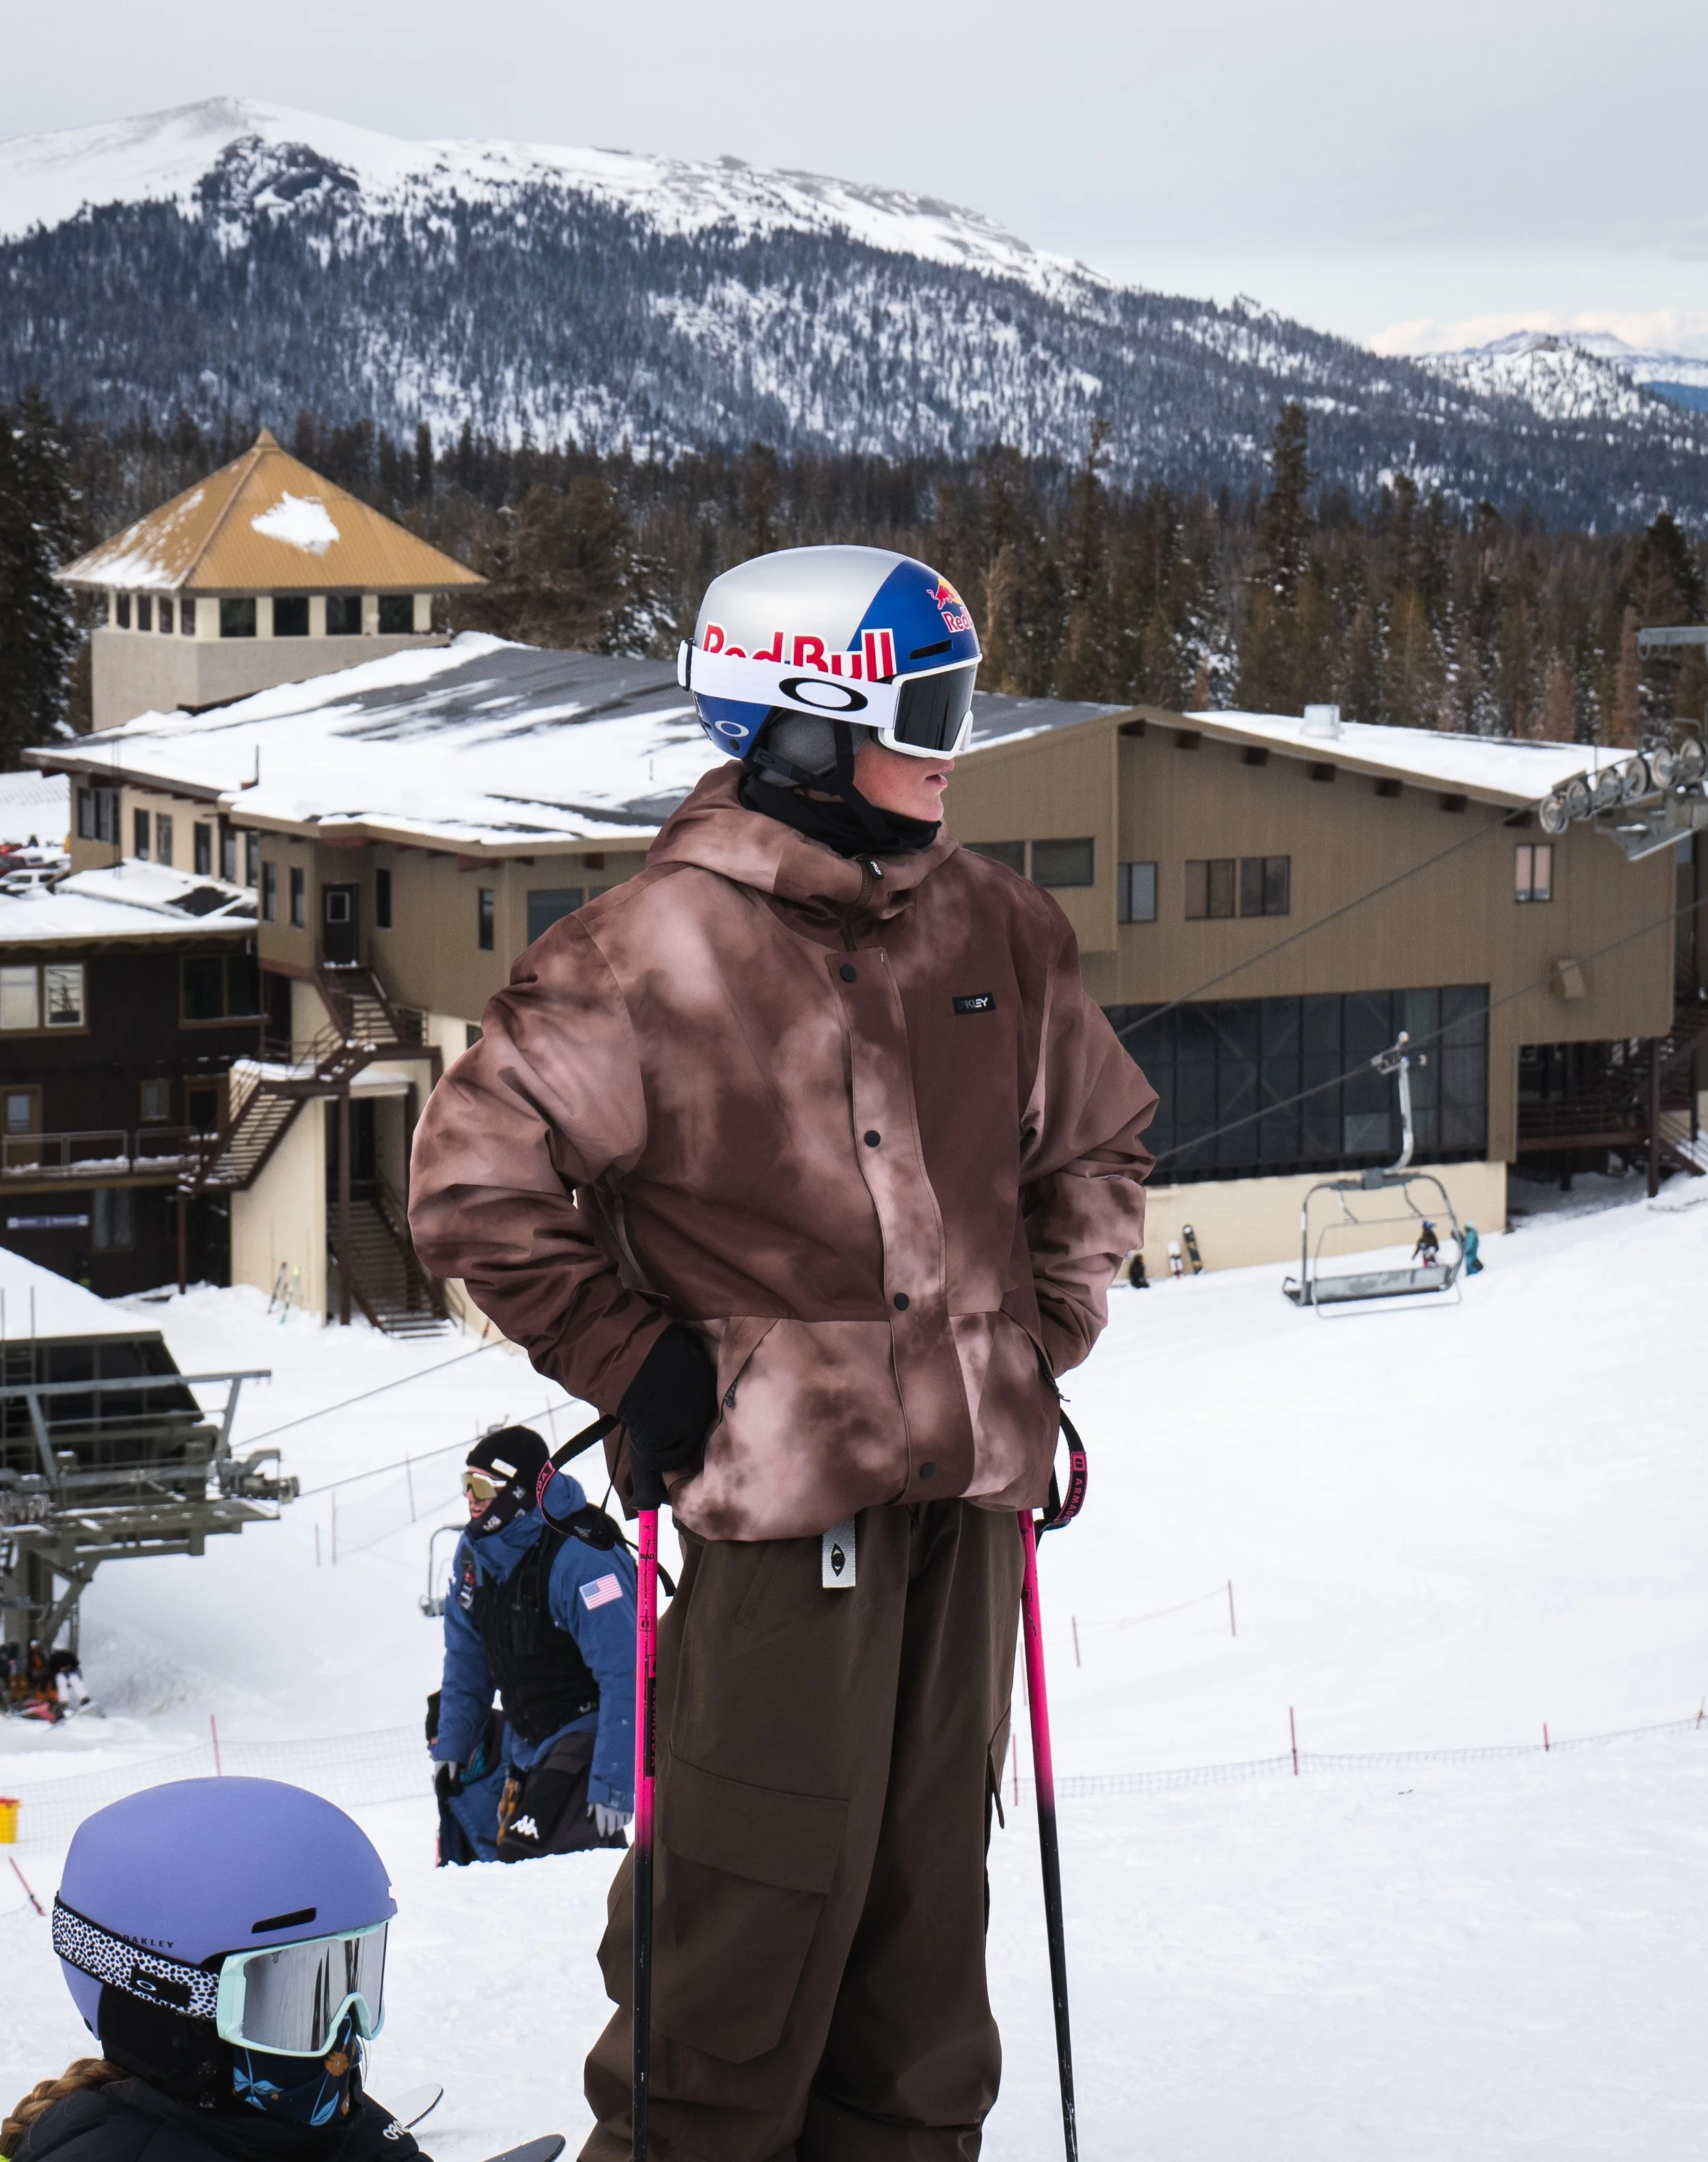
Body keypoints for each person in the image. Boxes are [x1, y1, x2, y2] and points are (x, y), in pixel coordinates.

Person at [409, 543, 1155, 2160]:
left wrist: (1041, 1334)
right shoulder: (645, 957)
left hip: (968, 1509)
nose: (950, 754)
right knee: (749, 1913)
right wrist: (639, 1361)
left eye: (959, 708)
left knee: (921, 1925)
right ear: (800, 729)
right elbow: (475, 1182)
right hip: (778, 1516)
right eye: (922, 714)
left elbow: (1092, 1149)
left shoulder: (998, 931)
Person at [1, 1777, 427, 2162]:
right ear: (159, 1998)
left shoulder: (321, 2132)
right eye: (292, 1997)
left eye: (353, 1978)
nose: (341, 2039)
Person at [430, 1425, 636, 1861]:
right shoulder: (477, 1553)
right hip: (528, 1738)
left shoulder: (583, 1558)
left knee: (527, 1860)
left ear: (521, 1493)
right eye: (466, 1485)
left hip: (588, 1730)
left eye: (482, 1486)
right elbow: (466, 1657)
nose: (470, 1498)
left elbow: (628, 1673)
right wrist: (454, 1744)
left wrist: (614, 1783)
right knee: (479, 1849)